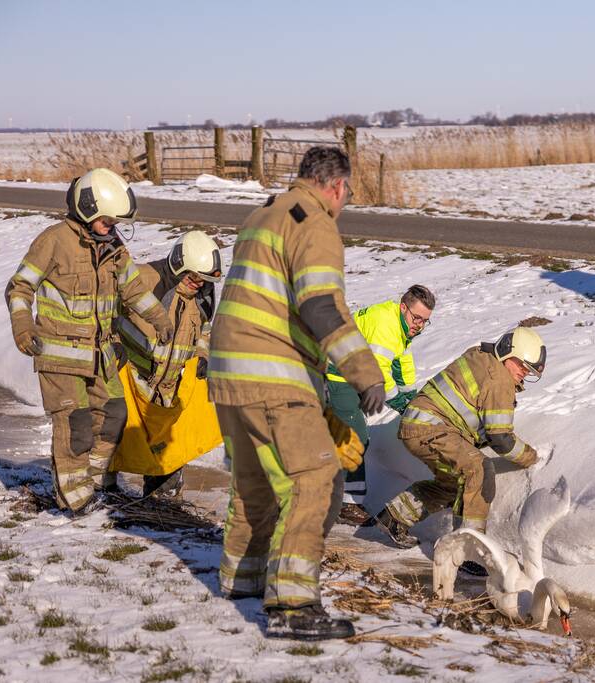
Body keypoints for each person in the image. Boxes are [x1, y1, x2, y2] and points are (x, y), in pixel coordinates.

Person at [208, 146, 384, 640]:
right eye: (348, 192)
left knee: (254, 483)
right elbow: (321, 305)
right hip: (273, 371)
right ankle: (292, 604)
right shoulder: (315, 222)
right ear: (338, 186)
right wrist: (364, 373)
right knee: (314, 478)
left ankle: (242, 579)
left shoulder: (263, 214)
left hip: (229, 370)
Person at [5, 168, 173, 512]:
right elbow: (19, 288)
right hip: (60, 355)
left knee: (115, 413)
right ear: (87, 208)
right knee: (76, 423)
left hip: (101, 355)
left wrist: (160, 319)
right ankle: (76, 501)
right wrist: (23, 327)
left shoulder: (114, 248)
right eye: (108, 220)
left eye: (116, 222)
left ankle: (92, 483)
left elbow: (134, 290)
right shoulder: (54, 241)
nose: (113, 227)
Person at [376, 327, 545, 565]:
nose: (523, 374)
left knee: (456, 485)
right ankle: (467, 553)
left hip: (419, 424)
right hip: (431, 427)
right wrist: (530, 457)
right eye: (522, 366)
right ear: (509, 353)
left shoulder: (481, 356)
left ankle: (395, 516)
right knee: (479, 469)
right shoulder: (499, 379)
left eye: (529, 371)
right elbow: (501, 438)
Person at [110, 231, 224, 497]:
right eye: (193, 277)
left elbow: (204, 330)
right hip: (129, 380)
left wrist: (203, 356)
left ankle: (161, 500)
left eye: (204, 280)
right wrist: (112, 344)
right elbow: (104, 308)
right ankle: (103, 493)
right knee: (113, 439)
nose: (198, 284)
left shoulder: (203, 296)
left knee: (168, 452)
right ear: (178, 266)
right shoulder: (143, 278)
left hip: (167, 390)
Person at [325, 285, 436, 526]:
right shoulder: (385, 324)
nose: (419, 325)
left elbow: (402, 363)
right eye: (417, 318)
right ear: (403, 307)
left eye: (425, 321)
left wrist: (411, 398)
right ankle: (346, 504)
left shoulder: (401, 327)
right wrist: (398, 401)